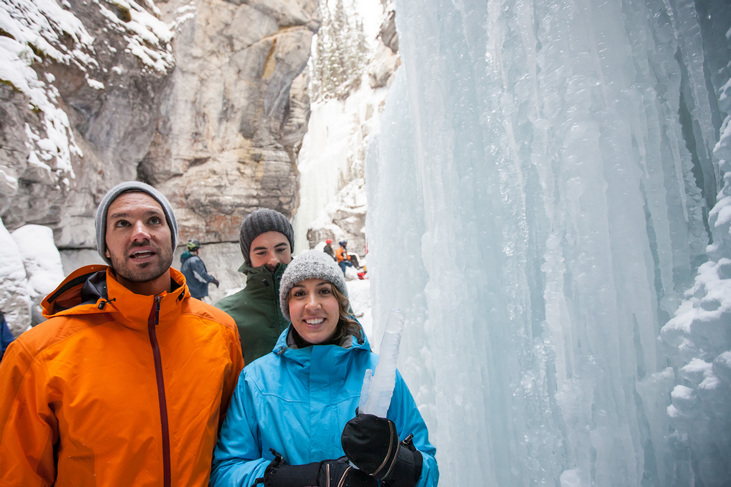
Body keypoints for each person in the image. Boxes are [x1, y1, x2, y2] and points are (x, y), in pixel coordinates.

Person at [0, 181, 244, 486]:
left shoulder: (220, 332)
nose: (140, 233)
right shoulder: (38, 353)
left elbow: (231, 449)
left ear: (172, 236)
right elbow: (17, 474)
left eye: (154, 220)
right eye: (122, 224)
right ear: (105, 246)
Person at [210, 250, 438, 487]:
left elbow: (428, 470)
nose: (312, 304)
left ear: (339, 302)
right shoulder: (255, 381)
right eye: (299, 293)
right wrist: (286, 479)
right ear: (288, 306)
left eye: (324, 291)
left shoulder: (380, 373)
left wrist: (397, 463)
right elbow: (225, 472)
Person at [215, 208, 295, 365]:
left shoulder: (320, 301)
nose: (273, 260)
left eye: (280, 250)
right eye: (261, 252)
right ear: (248, 258)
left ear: (291, 250)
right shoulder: (224, 315)